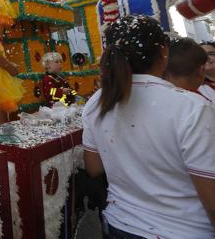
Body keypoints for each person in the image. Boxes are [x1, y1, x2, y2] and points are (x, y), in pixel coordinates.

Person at [83, 15, 215, 238]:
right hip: (185, 230)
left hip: (119, 225)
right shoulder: (191, 107)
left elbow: (93, 167)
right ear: (164, 52)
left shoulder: (97, 101)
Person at [165, 37, 212, 103]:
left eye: (211, 53)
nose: (209, 58)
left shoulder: (151, 95)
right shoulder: (200, 105)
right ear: (201, 70)